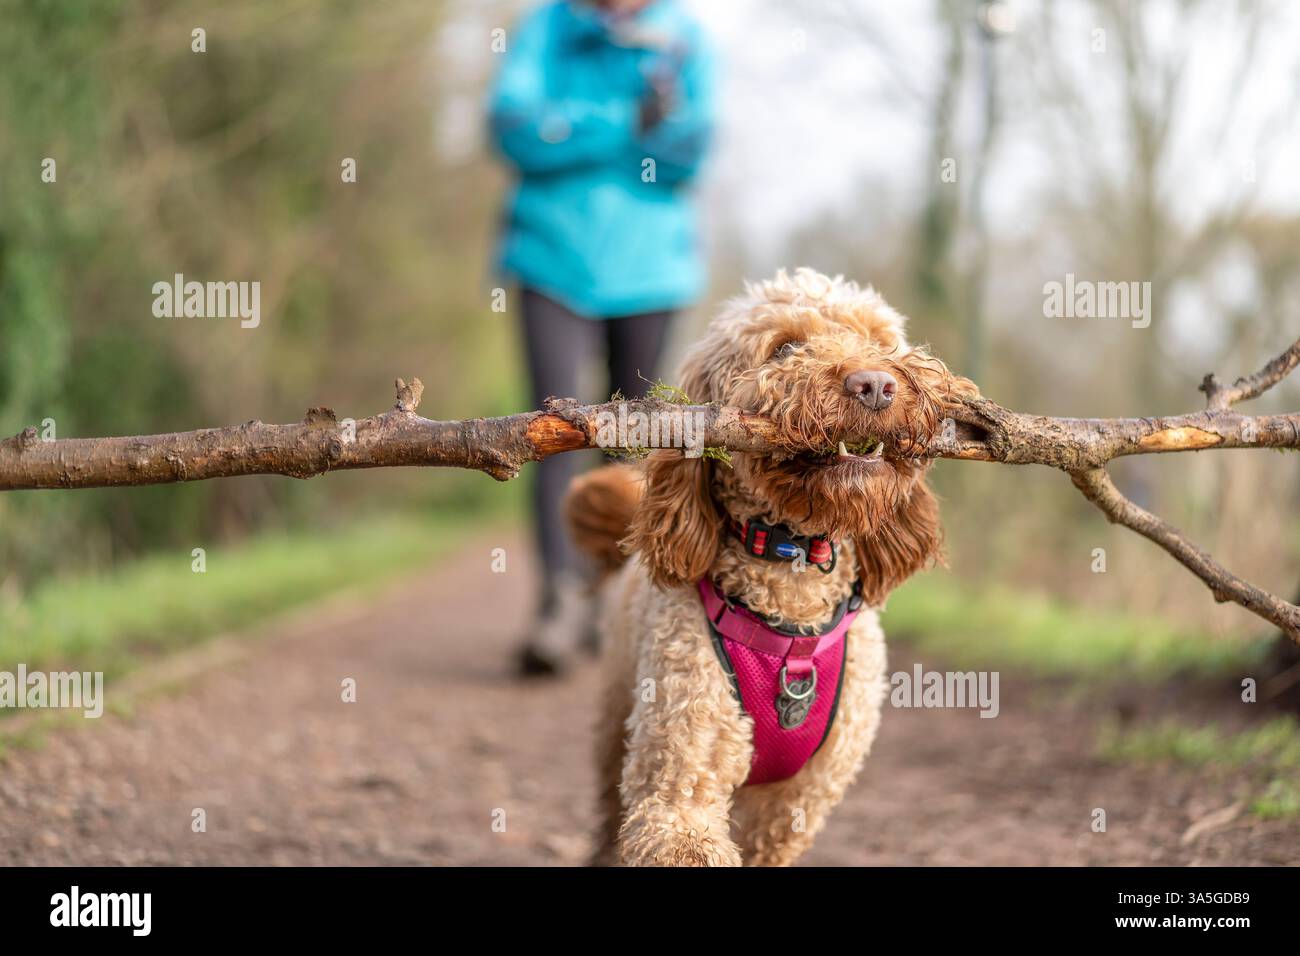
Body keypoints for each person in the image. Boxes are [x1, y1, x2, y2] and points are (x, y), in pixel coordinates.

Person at [487, 0, 716, 675]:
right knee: (550, 431)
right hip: (550, 261)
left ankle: (615, 597)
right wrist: (625, 122)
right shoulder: (547, 28)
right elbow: (513, 130)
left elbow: (688, 151)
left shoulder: (685, 35)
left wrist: (587, 130)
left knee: (632, 440)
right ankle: (558, 603)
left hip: (650, 271)